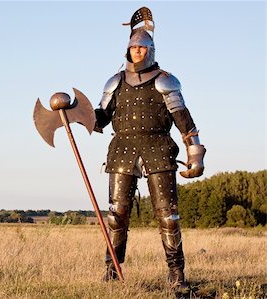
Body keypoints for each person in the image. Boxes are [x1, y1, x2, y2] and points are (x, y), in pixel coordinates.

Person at [93, 7, 206, 291]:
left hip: (158, 148)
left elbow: (184, 120)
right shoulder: (115, 82)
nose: (137, 52)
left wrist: (194, 153)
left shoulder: (165, 80)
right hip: (122, 149)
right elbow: (100, 119)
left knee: (168, 215)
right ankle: (113, 270)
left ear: (150, 50)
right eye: (133, 47)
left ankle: (177, 274)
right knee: (116, 215)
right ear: (127, 51)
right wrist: (74, 113)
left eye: (142, 47)